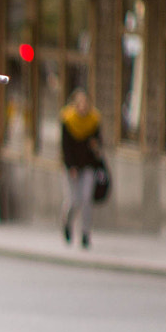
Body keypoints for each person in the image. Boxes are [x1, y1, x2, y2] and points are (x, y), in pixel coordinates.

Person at [59, 88, 102, 250]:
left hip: (88, 165)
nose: (83, 106)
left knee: (86, 199)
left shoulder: (94, 120)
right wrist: (71, 166)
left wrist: (96, 147)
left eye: (86, 103)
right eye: (81, 103)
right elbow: (65, 147)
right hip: (72, 167)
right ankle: (67, 222)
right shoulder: (68, 120)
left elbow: (98, 144)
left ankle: (85, 234)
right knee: (73, 200)